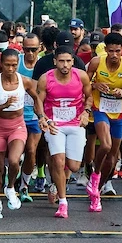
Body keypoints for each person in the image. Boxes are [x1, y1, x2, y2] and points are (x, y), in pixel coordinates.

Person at [85, 32, 122, 212]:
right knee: (106, 145)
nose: (114, 55)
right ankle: (95, 174)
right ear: (105, 50)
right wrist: (95, 85)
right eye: (111, 51)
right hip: (100, 109)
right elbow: (83, 85)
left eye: (118, 51)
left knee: (113, 156)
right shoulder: (96, 62)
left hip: (119, 113)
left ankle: (97, 188)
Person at [0, 48, 42, 219]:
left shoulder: (24, 81)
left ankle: (10, 187)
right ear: (1, 64)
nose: (10, 69)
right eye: (7, 65)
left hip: (17, 126)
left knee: (14, 161)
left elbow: (37, 98)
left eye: (14, 65)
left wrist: (41, 117)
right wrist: (4, 105)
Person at [41, 46, 92, 218]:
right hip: (54, 124)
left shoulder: (81, 76)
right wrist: (42, 117)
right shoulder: (46, 78)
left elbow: (89, 97)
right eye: (61, 61)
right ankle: (63, 203)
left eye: (68, 61)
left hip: (75, 124)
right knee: (58, 160)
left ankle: (58, 177)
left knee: (74, 166)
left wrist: (86, 112)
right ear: (55, 61)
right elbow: (38, 101)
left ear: (73, 62)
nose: (65, 65)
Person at [16, 35, 44, 200]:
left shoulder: (42, 64)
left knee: (31, 150)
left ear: (40, 48)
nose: (30, 53)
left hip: (34, 116)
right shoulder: (16, 62)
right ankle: (11, 179)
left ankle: (24, 185)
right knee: (14, 153)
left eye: (34, 49)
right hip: (16, 115)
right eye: (27, 49)